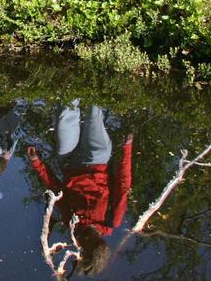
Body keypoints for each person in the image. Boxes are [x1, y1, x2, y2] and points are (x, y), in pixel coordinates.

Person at [26, 101, 133, 276]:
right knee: (94, 112)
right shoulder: (111, 220)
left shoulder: (73, 224)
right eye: (84, 251)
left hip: (68, 160)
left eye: (79, 252)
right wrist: (127, 150)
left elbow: (56, 189)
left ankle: (70, 78)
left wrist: (37, 164)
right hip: (96, 157)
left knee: (64, 115)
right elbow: (123, 185)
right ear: (98, 246)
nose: (79, 246)